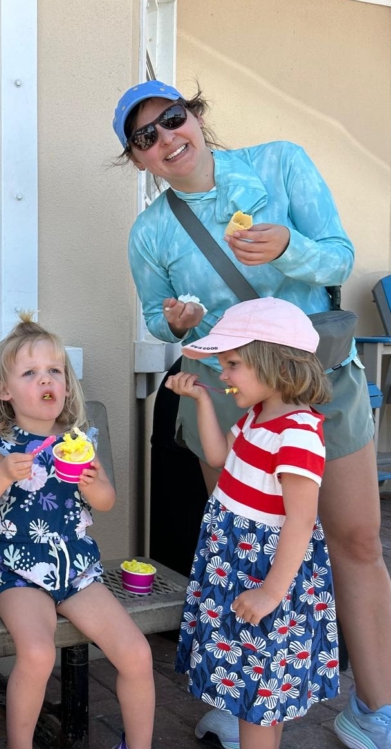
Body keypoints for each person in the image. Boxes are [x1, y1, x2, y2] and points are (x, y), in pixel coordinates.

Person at [116, 80, 391, 749]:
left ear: (196, 116)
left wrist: (287, 248)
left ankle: (375, 705)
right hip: (230, 399)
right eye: (145, 138)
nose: (165, 139)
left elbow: (338, 256)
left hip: (320, 380)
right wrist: (173, 320)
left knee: (355, 539)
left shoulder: (281, 163)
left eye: (172, 119)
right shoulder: (150, 232)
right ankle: (245, 707)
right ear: (139, 160)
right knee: (245, 558)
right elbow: (160, 316)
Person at [0, 314, 154, 749]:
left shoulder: (78, 442)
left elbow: (105, 502)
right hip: (18, 572)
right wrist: (3, 475)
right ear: (4, 391)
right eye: (30, 373)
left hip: (78, 573)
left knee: (138, 654)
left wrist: (95, 482)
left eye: (55, 371)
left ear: (66, 385)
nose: (46, 379)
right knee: (37, 653)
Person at [166, 298, 338, 748]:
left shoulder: (297, 432)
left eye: (233, 364)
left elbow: (301, 521)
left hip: (264, 572)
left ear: (276, 362)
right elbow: (220, 457)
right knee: (256, 690)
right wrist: (203, 399)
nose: (224, 375)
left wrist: (271, 592)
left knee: (259, 691)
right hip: (235, 565)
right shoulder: (257, 417)